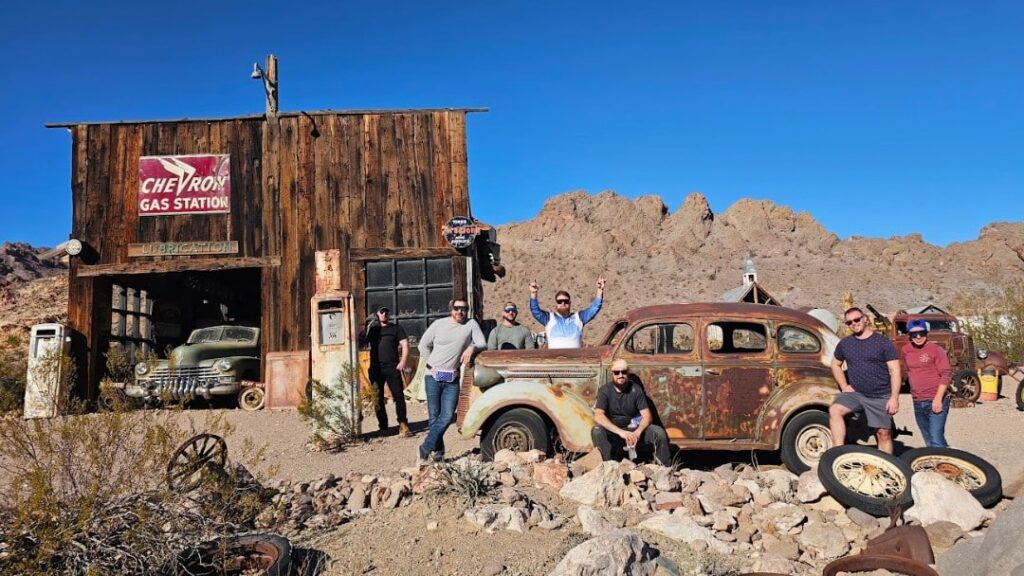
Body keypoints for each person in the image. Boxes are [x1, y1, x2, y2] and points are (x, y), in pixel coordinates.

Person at [416, 298, 486, 465]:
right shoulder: (439, 325)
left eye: (464, 309)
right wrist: (431, 365)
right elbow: (422, 345)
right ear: (451, 309)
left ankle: (425, 448)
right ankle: (438, 454)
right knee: (434, 417)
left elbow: (483, 342)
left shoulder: (470, 325)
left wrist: (472, 347)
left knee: (447, 417)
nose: (460, 312)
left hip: (452, 378)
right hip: (432, 375)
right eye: (456, 308)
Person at [829, 307, 901, 454]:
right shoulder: (845, 344)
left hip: (880, 395)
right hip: (856, 393)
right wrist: (844, 386)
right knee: (835, 410)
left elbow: (895, 371)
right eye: (849, 322)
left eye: (856, 319)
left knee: (883, 434)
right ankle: (837, 455)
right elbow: (835, 365)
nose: (853, 324)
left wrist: (894, 398)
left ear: (865, 319)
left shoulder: (883, 342)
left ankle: (886, 467)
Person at [591, 359, 671, 465]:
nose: (620, 375)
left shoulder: (636, 389)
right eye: (616, 372)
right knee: (597, 431)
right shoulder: (605, 390)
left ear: (627, 373)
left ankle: (665, 469)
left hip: (634, 429)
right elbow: (598, 416)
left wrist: (637, 432)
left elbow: (647, 416)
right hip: (615, 431)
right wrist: (621, 433)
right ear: (612, 374)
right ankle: (607, 467)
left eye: (624, 372)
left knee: (658, 433)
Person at [901, 319, 951, 448]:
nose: (918, 337)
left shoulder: (936, 349)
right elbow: (906, 372)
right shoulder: (906, 350)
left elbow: (946, 374)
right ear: (909, 335)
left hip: (935, 399)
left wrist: (938, 398)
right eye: (914, 334)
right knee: (928, 437)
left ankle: (944, 465)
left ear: (926, 333)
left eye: (921, 333)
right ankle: (942, 461)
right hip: (918, 401)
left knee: (936, 437)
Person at [365, 306, 411, 437]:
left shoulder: (396, 328)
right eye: (382, 312)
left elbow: (405, 345)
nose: (385, 314)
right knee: (377, 398)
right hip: (375, 368)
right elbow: (363, 342)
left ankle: (403, 424)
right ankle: (383, 426)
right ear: (377, 315)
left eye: (386, 311)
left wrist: (403, 361)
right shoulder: (373, 330)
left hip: (392, 366)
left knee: (399, 396)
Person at [529, 277, 605, 349]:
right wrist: (533, 293)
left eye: (565, 301)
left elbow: (594, 309)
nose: (563, 304)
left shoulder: (579, 318)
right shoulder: (549, 318)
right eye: (559, 301)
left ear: (570, 303)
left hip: (575, 361)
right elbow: (535, 311)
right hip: (554, 361)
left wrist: (599, 290)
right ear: (556, 304)